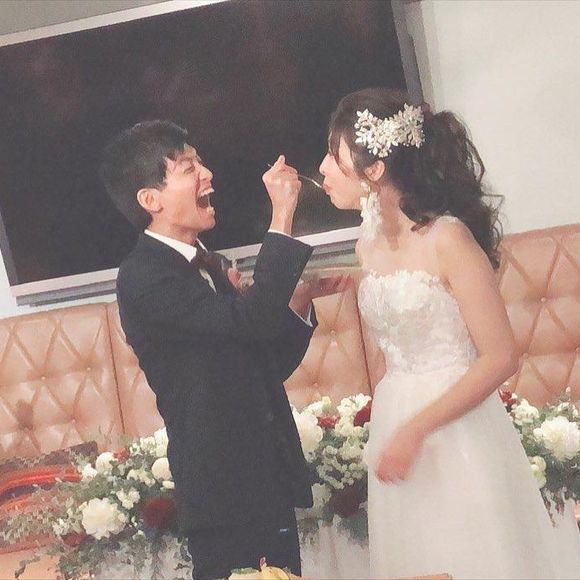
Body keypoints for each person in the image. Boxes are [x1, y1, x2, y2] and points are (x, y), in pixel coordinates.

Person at [318, 88, 580, 579]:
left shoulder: (448, 238)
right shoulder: (366, 246)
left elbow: (500, 357)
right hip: (395, 415)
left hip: (457, 425)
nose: (323, 170)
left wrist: (417, 428)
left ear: (374, 170)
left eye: (335, 156)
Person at [100, 120, 349, 579]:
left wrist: (296, 305)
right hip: (222, 489)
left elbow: (261, 365)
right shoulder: (144, 276)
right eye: (188, 167)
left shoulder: (209, 265)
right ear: (150, 200)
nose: (207, 174)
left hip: (265, 478)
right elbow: (249, 322)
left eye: (201, 162)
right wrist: (281, 216)